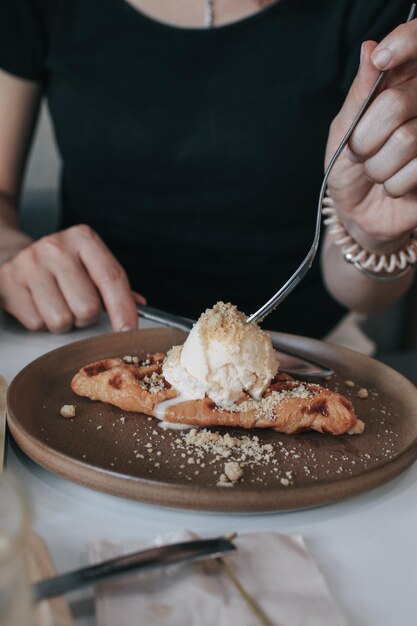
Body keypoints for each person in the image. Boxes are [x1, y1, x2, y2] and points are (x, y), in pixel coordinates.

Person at [0, 0, 416, 339]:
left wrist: (369, 236)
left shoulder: (375, 12)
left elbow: (362, 293)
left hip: (302, 353)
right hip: (92, 338)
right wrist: (14, 256)